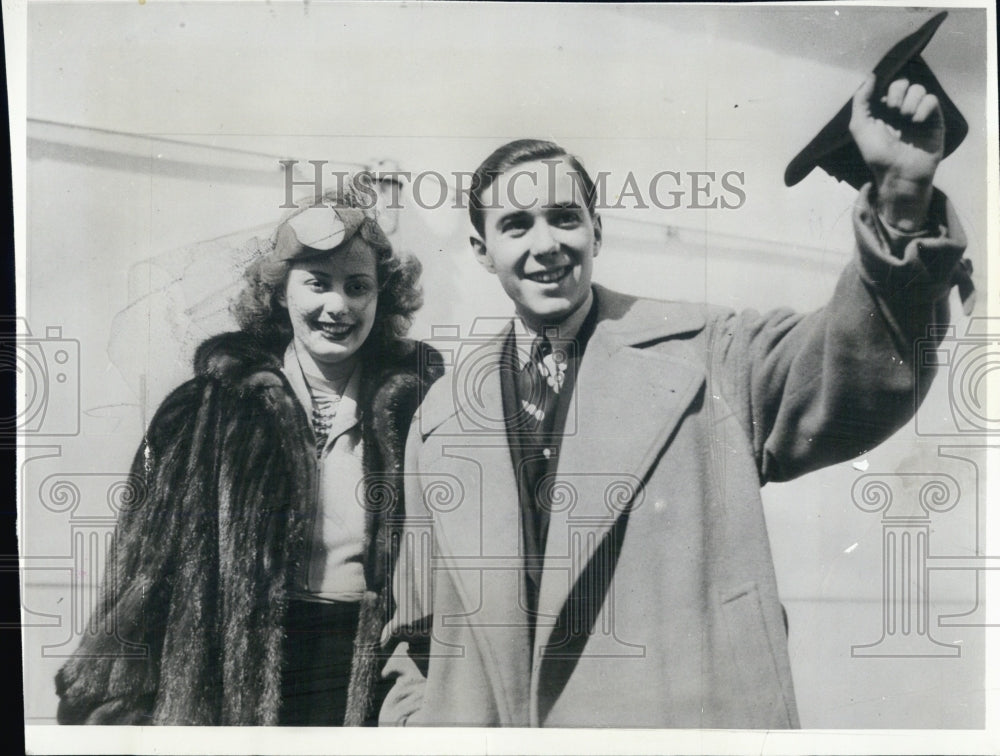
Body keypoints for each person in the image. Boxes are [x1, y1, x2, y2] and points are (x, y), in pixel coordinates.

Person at [378, 71, 972, 728]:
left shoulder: (709, 353)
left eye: (564, 218)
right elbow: (416, 627)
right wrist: (410, 722)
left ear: (596, 232)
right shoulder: (439, 419)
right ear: (482, 251)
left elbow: (855, 378)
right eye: (516, 225)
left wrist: (902, 202)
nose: (545, 244)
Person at [54, 175, 443, 726]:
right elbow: (143, 575)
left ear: (383, 295)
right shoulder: (206, 410)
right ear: (281, 291)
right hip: (228, 684)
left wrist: (427, 676)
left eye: (358, 286)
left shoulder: (426, 413)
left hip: (367, 684)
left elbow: (457, 575)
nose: (339, 305)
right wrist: (111, 704)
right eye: (317, 283)